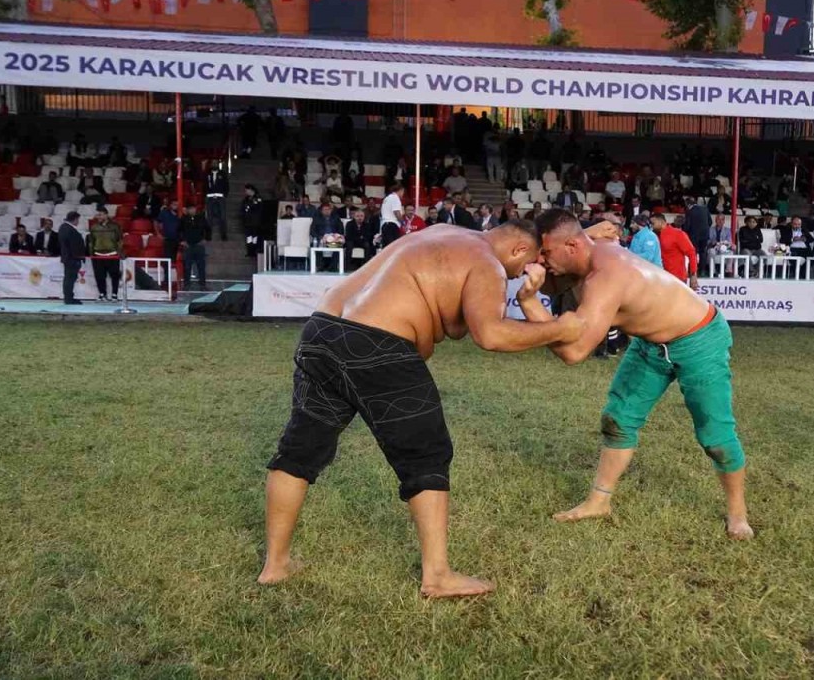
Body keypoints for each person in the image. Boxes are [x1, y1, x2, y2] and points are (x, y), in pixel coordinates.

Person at [258, 221, 584, 598]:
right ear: (516, 250)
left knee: (300, 448)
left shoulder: (442, 232)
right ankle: (438, 575)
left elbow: (455, 319)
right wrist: (561, 328)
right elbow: (491, 334)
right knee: (427, 454)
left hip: (321, 330)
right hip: (378, 343)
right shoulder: (488, 263)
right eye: (522, 268)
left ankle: (276, 564)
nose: (519, 276)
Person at [519, 211, 752, 539]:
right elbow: (577, 239)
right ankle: (598, 502)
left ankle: (738, 515)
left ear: (572, 245)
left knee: (716, 436)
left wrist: (529, 303)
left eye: (544, 254)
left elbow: (573, 353)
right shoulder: (585, 246)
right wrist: (579, 235)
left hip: (699, 338)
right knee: (618, 418)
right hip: (652, 343)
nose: (540, 262)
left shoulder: (605, 277)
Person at [653, 212, 700, 288]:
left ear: (661, 222)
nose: (651, 226)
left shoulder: (678, 234)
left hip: (677, 278)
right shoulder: (654, 235)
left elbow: (691, 253)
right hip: (662, 277)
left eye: (653, 223)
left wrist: (693, 275)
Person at [87, 206, 123, 301]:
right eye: (97, 214)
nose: (98, 216)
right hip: (98, 255)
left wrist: (119, 252)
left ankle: (114, 295)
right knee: (99, 276)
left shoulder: (115, 226)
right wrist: (92, 254)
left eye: (100, 214)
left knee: (115, 276)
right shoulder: (94, 227)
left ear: (106, 215)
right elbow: (91, 241)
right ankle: (102, 294)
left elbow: (120, 240)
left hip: (112, 255)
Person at [179, 205, 210, 289]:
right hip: (188, 246)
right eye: (190, 209)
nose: (192, 210)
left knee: (201, 266)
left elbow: (208, 229)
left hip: (199, 245)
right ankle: (186, 284)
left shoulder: (201, 218)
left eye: (193, 208)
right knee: (187, 266)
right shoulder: (183, 219)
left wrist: (206, 239)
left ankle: (202, 285)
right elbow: (179, 230)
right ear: (187, 210)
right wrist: (182, 241)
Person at [58, 211, 86, 305]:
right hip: (72, 258)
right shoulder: (68, 229)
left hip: (69, 257)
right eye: (78, 219)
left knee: (69, 279)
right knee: (69, 279)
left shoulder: (64, 228)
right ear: (75, 219)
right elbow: (73, 245)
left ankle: (69, 297)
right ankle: (69, 298)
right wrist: (78, 256)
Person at [205, 161, 230, 242]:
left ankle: (224, 234)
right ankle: (208, 234)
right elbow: (204, 184)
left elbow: (226, 184)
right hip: (210, 196)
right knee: (209, 216)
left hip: (220, 196)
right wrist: (206, 194)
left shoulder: (222, 174)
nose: (214, 164)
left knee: (223, 216)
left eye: (216, 163)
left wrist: (225, 194)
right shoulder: (207, 174)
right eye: (213, 163)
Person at [241, 184, 262, 258]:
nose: (246, 192)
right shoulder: (246, 199)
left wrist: (249, 207)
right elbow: (243, 209)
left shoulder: (258, 198)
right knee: (249, 238)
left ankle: (254, 251)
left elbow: (257, 208)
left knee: (254, 238)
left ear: (251, 190)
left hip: (255, 222)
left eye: (247, 190)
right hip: (248, 222)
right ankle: (249, 251)